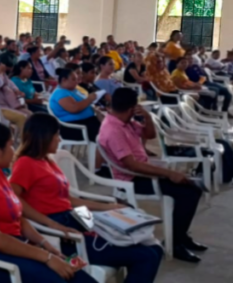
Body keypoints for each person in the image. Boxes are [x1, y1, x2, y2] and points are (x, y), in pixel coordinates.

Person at [11, 113, 163, 281]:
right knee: (146, 256)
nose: (59, 140)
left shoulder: (47, 161)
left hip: (75, 217)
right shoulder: (25, 164)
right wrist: (50, 223)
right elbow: (14, 200)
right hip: (62, 232)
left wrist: (109, 207)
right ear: (44, 137)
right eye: (56, 135)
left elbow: (67, 199)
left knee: (154, 248)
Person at [0, 121, 94, 283]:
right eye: (11, 145)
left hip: (11, 245)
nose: (14, 151)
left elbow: (17, 216)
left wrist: (45, 244)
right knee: (63, 277)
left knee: (78, 276)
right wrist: (46, 257)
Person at [99, 88, 205, 262]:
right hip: (132, 179)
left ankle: (180, 235)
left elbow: (150, 134)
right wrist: (169, 173)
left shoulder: (126, 121)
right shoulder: (113, 129)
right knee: (188, 193)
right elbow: (132, 165)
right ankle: (175, 243)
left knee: (193, 187)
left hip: (142, 171)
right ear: (132, 107)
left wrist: (147, 117)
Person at [48, 68, 101, 144]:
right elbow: (74, 108)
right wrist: (89, 99)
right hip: (73, 127)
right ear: (64, 80)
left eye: (77, 79)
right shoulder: (60, 93)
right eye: (74, 79)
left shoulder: (72, 90)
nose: (77, 82)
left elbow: (83, 102)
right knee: (105, 135)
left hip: (86, 122)